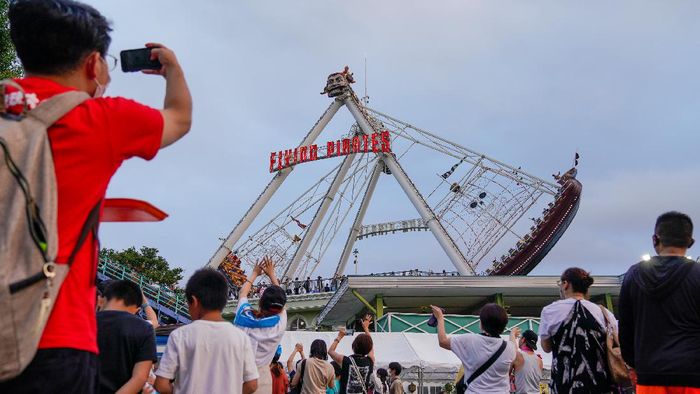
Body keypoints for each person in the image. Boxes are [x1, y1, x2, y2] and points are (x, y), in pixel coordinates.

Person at [0, 1, 191, 392]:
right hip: (56, 336)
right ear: (92, 64)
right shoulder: (100, 119)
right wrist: (172, 68)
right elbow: (178, 118)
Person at [619, 211, 700, 392]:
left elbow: (625, 327)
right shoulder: (697, 274)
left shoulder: (634, 274)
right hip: (693, 375)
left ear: (655, 239)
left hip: (649, 374)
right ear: (691, 242)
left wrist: (634, 364)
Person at [154, 269, 258, 394]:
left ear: (194, 301)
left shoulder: (180, 335)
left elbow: (161, 384)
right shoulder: (241, 337)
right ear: (224, 301)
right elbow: (252, 385)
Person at [539, 268, 616, 393]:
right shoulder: (604, 313)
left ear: (566, 284)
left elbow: (546, 347)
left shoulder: (550, 311)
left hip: (563, 383)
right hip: (599, 384)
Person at [432, 303, 519, 394]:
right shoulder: (509, 348)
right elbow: (513, 347)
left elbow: (443, 341)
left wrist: (440, 318)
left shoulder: (469, 340)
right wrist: (512, 334)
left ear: (482, 323)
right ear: (503, 326)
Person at [235, 256, 288, 393]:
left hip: (238, 377)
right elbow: (282, 303)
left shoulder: (243, 319)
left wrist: (254, 274)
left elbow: (242, 294)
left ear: (260, 303)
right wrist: (272, 275)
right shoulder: (279, 324)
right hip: (262, 379)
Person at [96, 280, 157, 394]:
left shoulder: (85, 321)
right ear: (137, 310)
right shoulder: (144, 328)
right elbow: (140, 377)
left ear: (100, 300)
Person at [329, 316, 375, 394]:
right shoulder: (370, 361)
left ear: (354, 345)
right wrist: (366, 328)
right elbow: (370, 345)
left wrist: (339, 337)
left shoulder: (345, 360)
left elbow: (330, 351)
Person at [510, 328, 543, 394]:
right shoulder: (539, 360)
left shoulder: (519, 356)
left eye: (520, 338)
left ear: (523, 339)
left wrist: (512, 335)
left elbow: (512, 350)